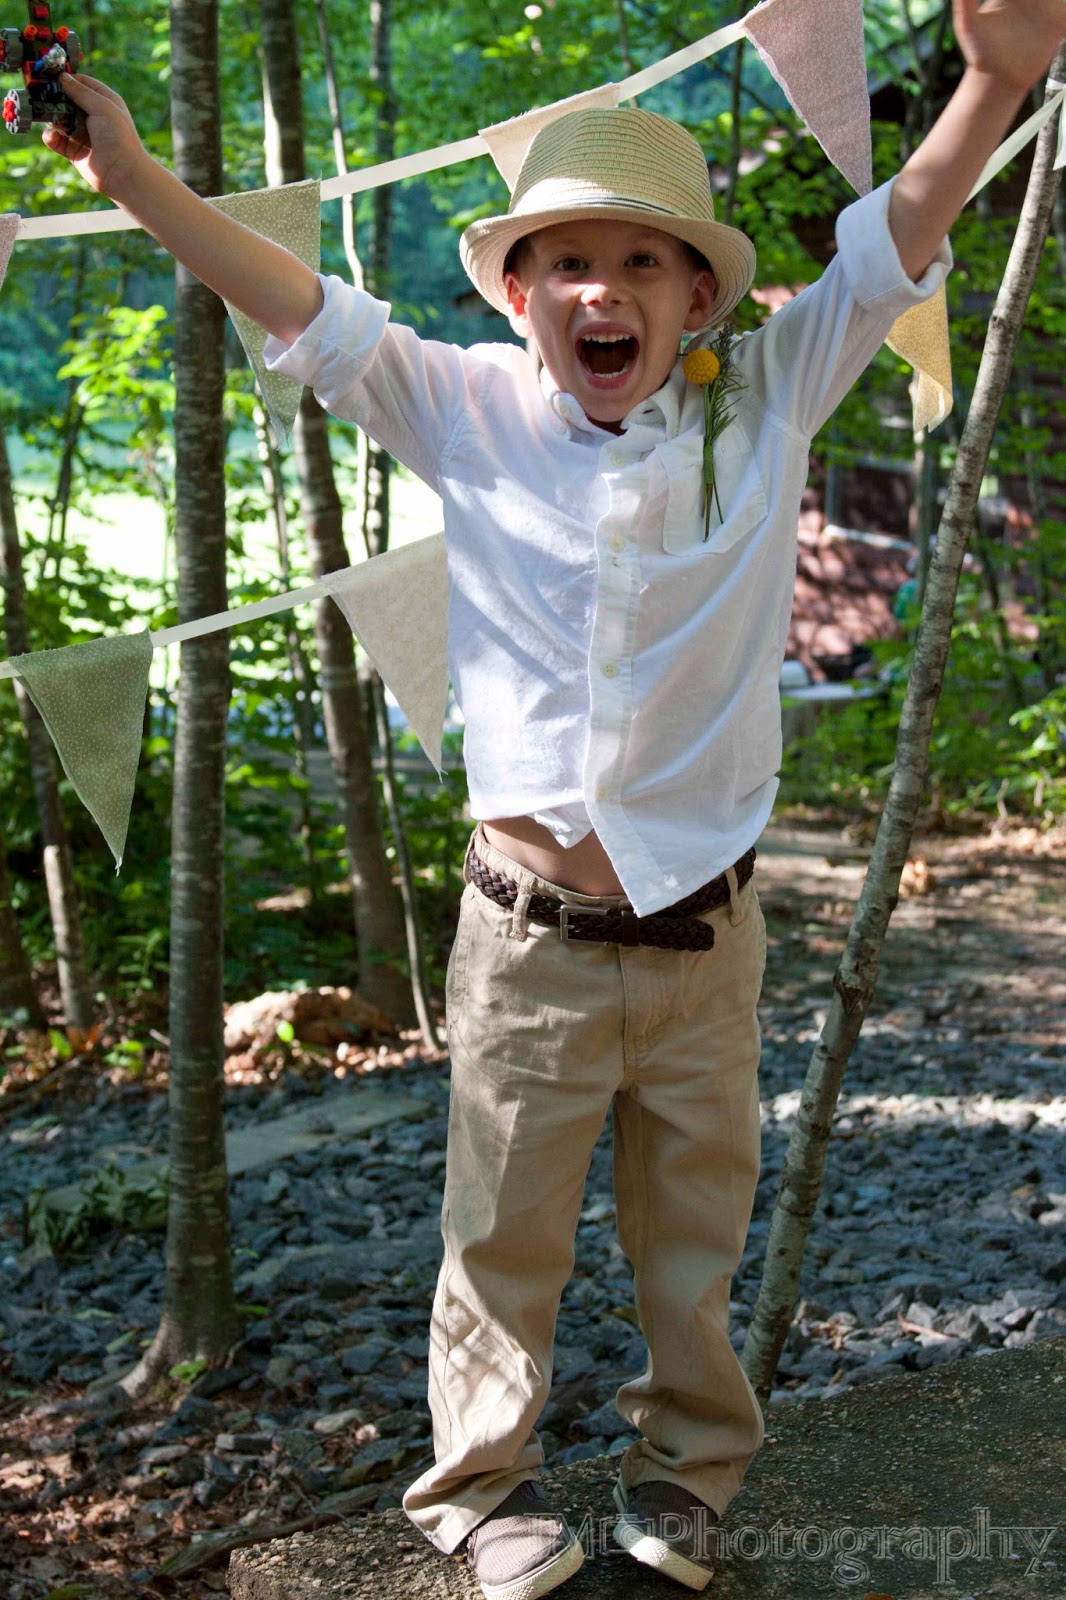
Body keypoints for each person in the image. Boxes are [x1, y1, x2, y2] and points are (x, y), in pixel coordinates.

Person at [44, 5, 1064, 1595]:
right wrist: (129, 177)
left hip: (705, 935)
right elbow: (291, 297)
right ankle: (476, 1486)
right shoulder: (458, 405)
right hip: (526, 938)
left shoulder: (767, 398)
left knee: (692, 1239)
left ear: (697, 298)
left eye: (643, 261)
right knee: (500, 1238)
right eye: (568, 260)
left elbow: (888, 248)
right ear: (518, 294)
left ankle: (689, 1473)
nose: (604, 289)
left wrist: (997, 76)